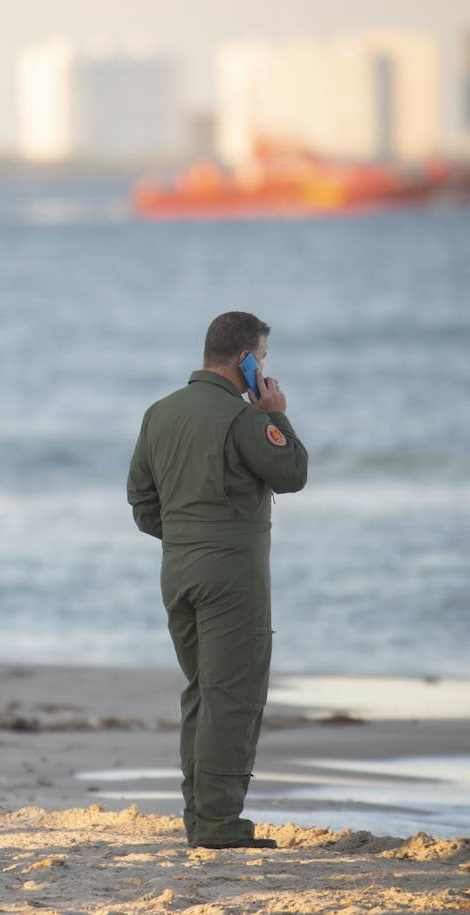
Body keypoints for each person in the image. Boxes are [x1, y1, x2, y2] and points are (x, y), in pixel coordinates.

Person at [126, 311, 308, 850]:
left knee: (203, 693)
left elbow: (142, 504)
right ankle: (219, 824)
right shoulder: (244, 418)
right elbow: (293, 472)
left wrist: (187, 536)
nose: (266, 370)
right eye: (264, 360)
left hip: (178, 570)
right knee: (232, 696)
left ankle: (199, 817)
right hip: (231, 576)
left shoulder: (158, 414)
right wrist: (277, 414)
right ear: (245, 360)